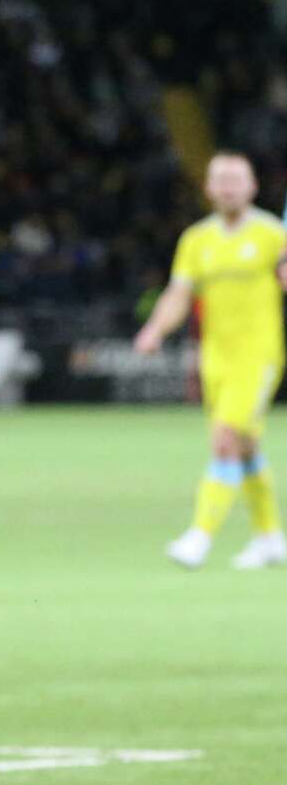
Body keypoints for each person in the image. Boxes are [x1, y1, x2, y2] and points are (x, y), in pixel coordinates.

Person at [136, 151, 286, 570]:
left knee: (224, 440)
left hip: (258, 357)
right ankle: (270, 538)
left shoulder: (273, 234)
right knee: (246, 447)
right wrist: (155, 330)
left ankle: (199, 537)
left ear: (252, 186)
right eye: (221, 180)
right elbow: (179, 294)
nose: (228, 188)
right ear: (208, 188)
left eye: (236, 180)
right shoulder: (196, 240)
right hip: (215, 359)